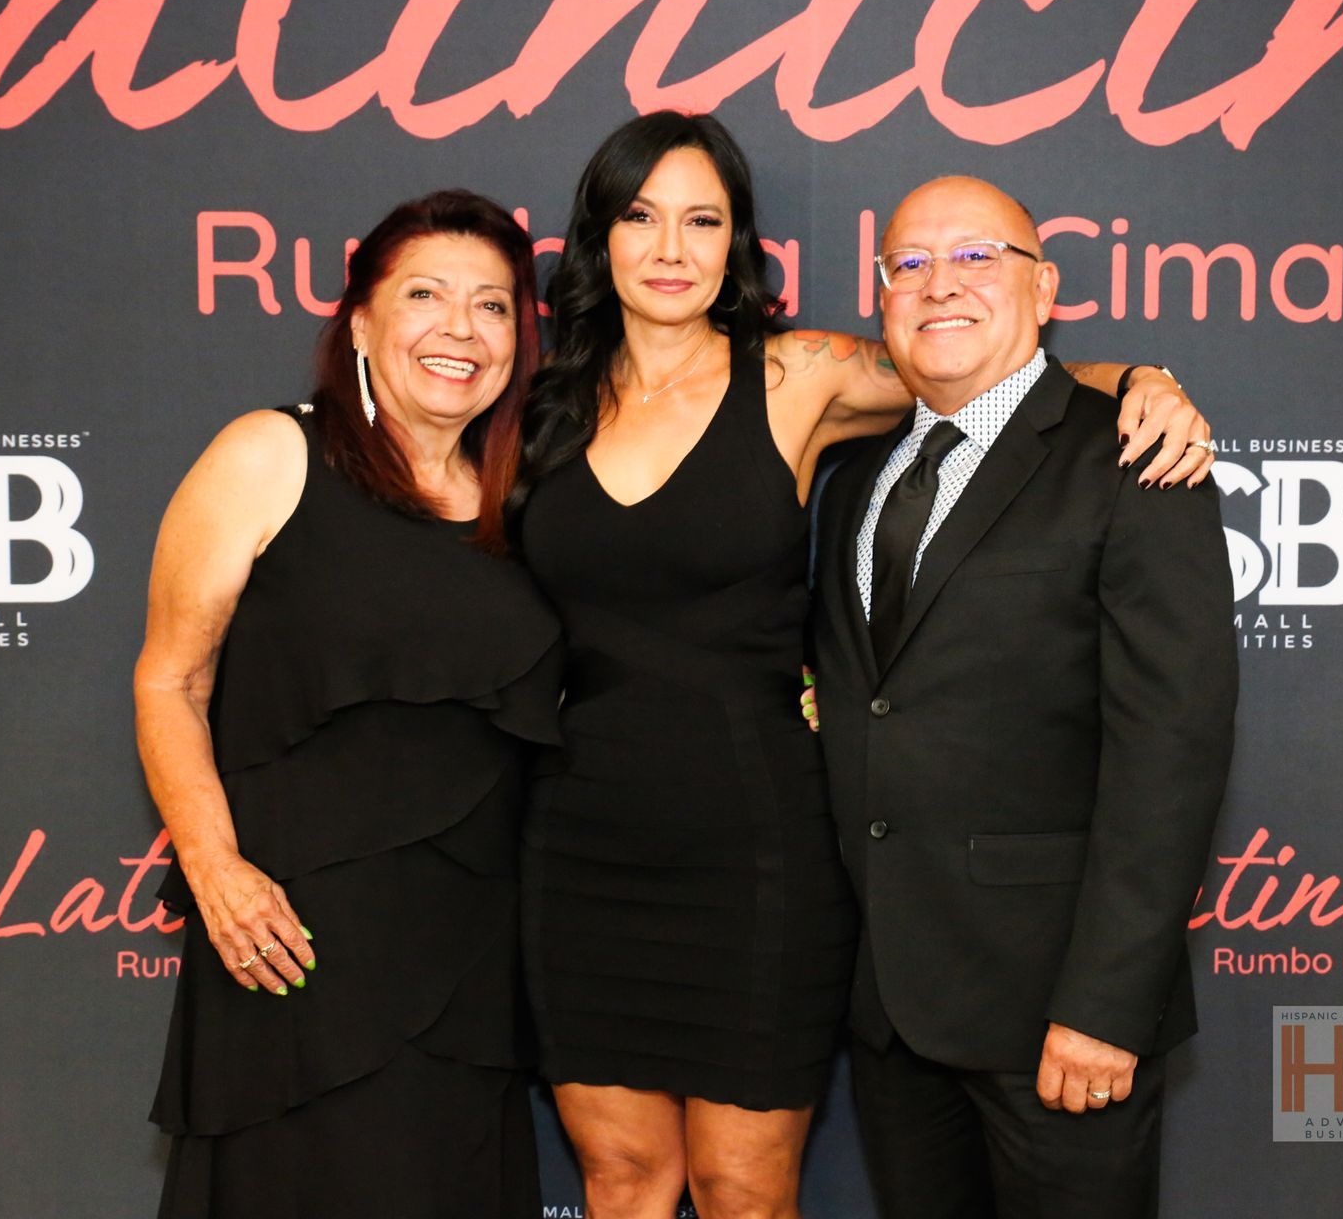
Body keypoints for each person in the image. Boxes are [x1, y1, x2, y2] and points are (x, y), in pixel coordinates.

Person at [510, 112, 1217, 1219]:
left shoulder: (801, 376)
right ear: (596, 237)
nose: (670, 247)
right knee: (622, 1180)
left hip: (758, 849)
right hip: (582, 845)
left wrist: (1144, 376)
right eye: (640, 216)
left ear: (740, 242)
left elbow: (984, 369)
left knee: (745, 1187)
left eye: (704, 219)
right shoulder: (540, 406)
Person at [808, 175, 1239, 1218]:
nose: (939, 284)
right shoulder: (855, 476)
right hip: (894, 1018)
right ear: (881, 298)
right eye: (908, 264)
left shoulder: (1130, 455)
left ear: (1043, 288)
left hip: (1057, 1020)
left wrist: (1106, 1005)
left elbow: (1171, 750)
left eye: (975, 257)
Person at [135, 191, 561, 1219]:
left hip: (474, 953)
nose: (461, 328)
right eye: (425, 294)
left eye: (494, 306)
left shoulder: (534, 500)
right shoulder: (272, 454)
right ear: (360, 321)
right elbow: (170, 680)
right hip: (294, 940)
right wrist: (215, 869)